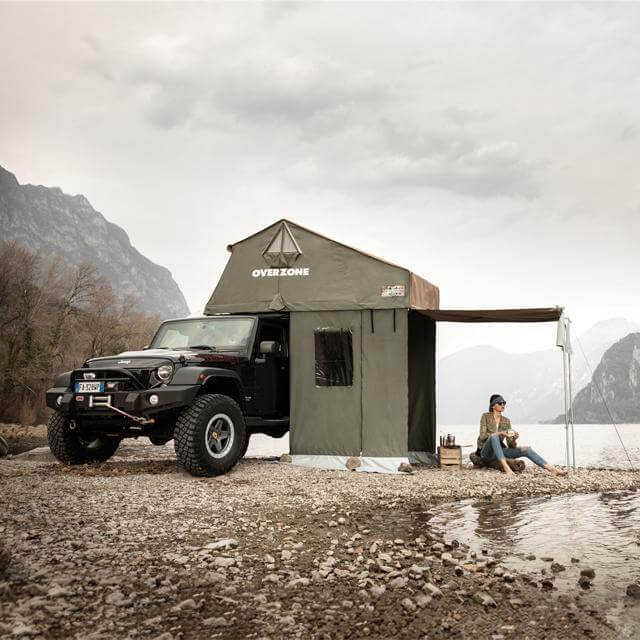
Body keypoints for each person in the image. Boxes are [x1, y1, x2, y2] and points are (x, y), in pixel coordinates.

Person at [477, 394, 567, 476]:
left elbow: (510, 445)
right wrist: (500, 433)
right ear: (493, 405)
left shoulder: (506, 421)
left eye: (504, 403)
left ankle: (552, 469)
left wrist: (514, 439)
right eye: (500, 403)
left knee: (526, 449)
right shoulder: (485, 416)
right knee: (494, 437)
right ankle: (507, 468)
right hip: (486, 453)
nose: (503, 405)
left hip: (500, 452)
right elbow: (482, 436)